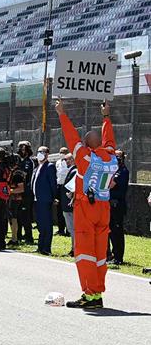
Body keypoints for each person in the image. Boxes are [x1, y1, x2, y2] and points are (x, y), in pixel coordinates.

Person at [56, 98, 117, 309]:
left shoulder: (84, 157)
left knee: (84, 254)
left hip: (86, 207)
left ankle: (91, 295)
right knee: (100, 255)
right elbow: (109, 141)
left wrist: (62, 113)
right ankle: (97, 292)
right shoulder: (111, 156)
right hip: (104, 208)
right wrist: (106, 116)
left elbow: (71, 136)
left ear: (86, 144)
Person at [31, 146, 58, 255]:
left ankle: (46, 248)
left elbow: (53, 184)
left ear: (47, 154)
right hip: (36, 199)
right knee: (40, 224)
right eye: (38, 152)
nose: (40, 154)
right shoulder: (37, 167)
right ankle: (40, 246)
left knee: (47, 224)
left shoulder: (50, 166)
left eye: (42, 152)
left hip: (45, 199)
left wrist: (53, 197)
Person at [108, 150, 129, 266]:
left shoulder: (122, 171)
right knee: (111, 231)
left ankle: (118, 257)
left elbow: (110, 184)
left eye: (118, 156)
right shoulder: (114, 170)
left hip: (117, 205)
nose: (115, 158)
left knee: (117, 232)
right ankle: (114, 254)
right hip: (111, 204)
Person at [16, 141, 35, 244]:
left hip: (27, 192)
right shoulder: (17, 161)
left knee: (26, 215)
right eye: (21, 149)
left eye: (25, 149)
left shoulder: (30, 162)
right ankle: (18, 236)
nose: (23, 151)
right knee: (17, 214)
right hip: (17, 191)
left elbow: (27, 176)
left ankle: (29, 237)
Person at [60, 154, 77, 256]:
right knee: (71, 229)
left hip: (70, 205)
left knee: (73, 229)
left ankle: (75, 249)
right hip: (67, 204)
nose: (66, 162)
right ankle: (74, 248)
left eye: (67, 159)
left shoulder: (75, 170)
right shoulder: (71, 170)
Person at [54, 146, 71, 236]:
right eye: (60, 152)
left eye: (63, 152)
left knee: (66, 208)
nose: (61, 154)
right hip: (59, 186)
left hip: (67, 186)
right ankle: (60, 229)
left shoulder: (69, 163)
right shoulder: (57, 162)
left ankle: (68, 230)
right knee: (59, 208)